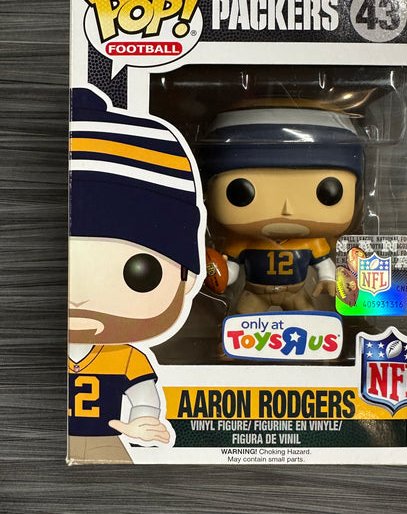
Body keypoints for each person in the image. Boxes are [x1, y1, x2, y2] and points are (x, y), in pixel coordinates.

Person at [68, 88, 204, 463]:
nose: (79, 297)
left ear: (187, 278)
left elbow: (143, 396)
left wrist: (143, 422)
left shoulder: (125, 358)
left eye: (139, 274)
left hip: (107, 444)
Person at [200, 107, 363, 313]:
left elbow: (324, 264)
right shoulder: (241, 242)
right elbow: (231, 273)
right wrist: (216, 272)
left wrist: (329, 279)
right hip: (254, 293)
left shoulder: (312, 242)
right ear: (208, 192)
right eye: (241, 192)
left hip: (296, 293)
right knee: (243, 320)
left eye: (328, 193)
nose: (287, 210)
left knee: (308, 319)